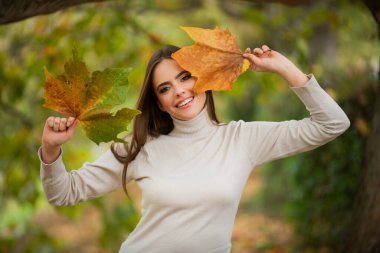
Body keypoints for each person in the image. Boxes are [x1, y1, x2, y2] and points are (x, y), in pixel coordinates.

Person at [38, 44, 350, 253]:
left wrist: (284, 68)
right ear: (159, 103)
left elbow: (332, 124)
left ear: (203, 79)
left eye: (184, 77)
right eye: (165, 88)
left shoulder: (242, 139)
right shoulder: (142, 147)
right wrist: (50, 150)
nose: (179, 92)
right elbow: (64, 192)